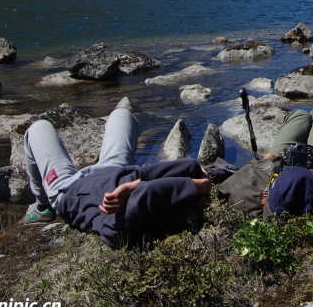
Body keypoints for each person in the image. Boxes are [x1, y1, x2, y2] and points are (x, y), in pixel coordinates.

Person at [21, 106, 212, 249]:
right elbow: (189, 166)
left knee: (38, 128)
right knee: (123, 114)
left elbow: (149, 191)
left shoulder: (116, 224)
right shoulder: (137, 191)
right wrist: (133, 184)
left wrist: (133, 187)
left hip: (68, 188)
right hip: (115, 168)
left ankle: (43, 205)